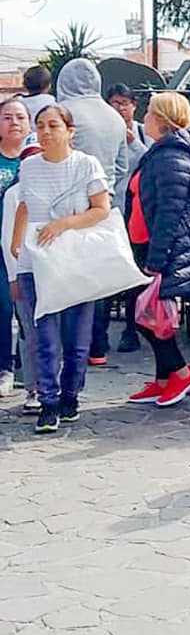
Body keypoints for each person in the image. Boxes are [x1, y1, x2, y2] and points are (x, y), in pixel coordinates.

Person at [11, 105, 114, 433]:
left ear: (69, 131)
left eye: (53, 125)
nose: (45, 132)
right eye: (40, 126)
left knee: (76, 338)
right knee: (44, 336)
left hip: (73, 260)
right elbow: (24, 205)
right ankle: (49, 401)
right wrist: (16, 243)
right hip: (35, 261)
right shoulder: (28, 167)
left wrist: (63, 224)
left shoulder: (86, 165)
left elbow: (101, 210)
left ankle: (71, 394)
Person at [124, 92, 190, 408]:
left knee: (147, 315)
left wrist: (157, 259)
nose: (144, 117)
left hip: (162, 247)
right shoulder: (161, 152)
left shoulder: (171, 157)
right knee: (146, 314)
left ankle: (180, 372)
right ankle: (165, 377)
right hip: (147, 243)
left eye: (149, 112)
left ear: (162, 119)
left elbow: (169, 212)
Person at [55, 59, 129, 365]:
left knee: (66, 278)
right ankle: (96, 346)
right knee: (94, 279)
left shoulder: (65, 114)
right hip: (104, 204)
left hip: (68, 207)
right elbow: (123, 166)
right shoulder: (113, 117)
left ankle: (69, 345)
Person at [106, 84, 153, 354]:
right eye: (114, 103)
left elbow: (151, 161)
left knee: (135, 271)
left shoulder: (141, 132)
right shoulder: (101, 131)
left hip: (136, 212)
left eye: (124, 103)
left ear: (134, 106)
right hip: (108, 209)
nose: (119, 108)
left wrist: (132, 142)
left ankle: (131, 329)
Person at [0, 99, 28, 400]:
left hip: (27, 249)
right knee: (3, 307)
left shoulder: (36, 159)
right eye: (7, 117)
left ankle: (26, 367)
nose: (14, 123)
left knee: (28, 310)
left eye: (20, 117)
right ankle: (4, 367)